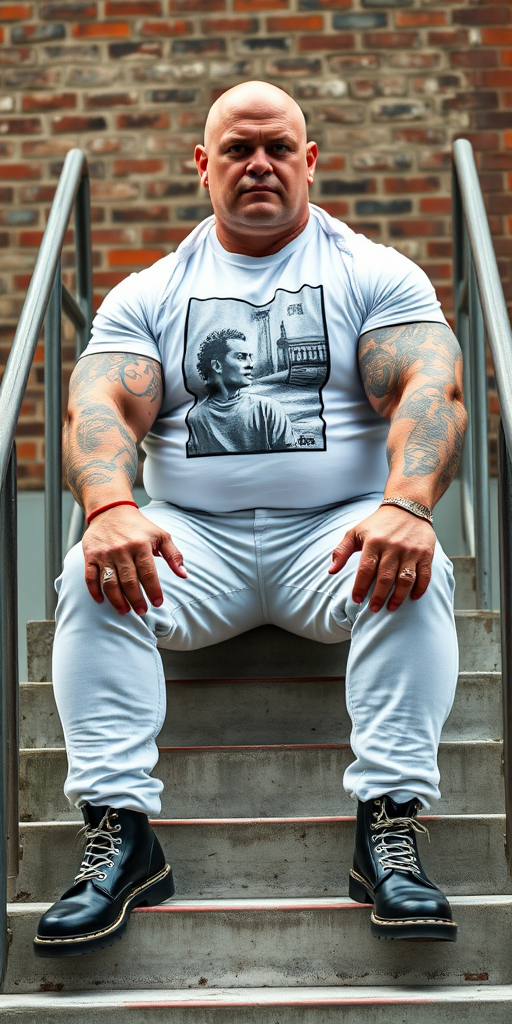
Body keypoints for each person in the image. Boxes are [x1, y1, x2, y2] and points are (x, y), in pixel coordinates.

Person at [34, 80, 466, 958]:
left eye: (277, 148)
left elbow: (434, 385)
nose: (259, 164)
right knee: (90, 566)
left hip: (336, 532)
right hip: (196, 541)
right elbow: (99, 406)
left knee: (420, 567)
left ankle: (388, 826)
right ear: (204, 166)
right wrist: (112, 507)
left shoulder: (372, 272)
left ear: (311, 162)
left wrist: (407, 507)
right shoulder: (149, 293)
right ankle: (122, 838)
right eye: (237, 149)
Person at [187, 327, 296, 454]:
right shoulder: (195, 419)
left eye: (250, 357)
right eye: (241, 357)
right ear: (217, 365)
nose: (251, 364)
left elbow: (288, 457)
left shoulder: (267, 409)